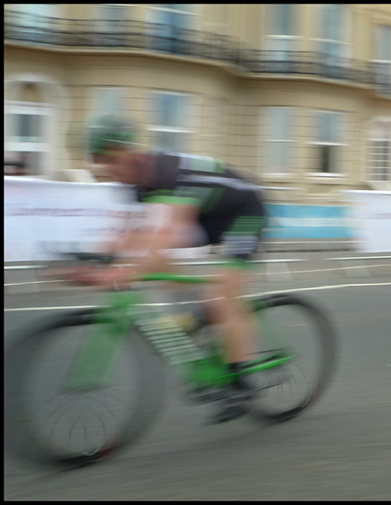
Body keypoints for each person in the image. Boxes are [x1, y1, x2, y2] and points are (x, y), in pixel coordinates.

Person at [79, 115, 268, 424]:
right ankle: (199, 312)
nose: (108, 172)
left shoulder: (166, 172)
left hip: (243, 212)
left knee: (220, 297)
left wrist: (123, 272)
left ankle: (241, 384)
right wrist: (88, 258)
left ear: (127, 152)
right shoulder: (136, 183)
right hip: (208, 215)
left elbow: (168, 233)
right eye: (101, 164)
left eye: (110, 161)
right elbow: (127, 234)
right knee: (159, 263)